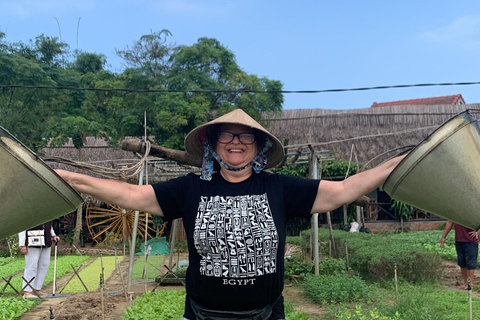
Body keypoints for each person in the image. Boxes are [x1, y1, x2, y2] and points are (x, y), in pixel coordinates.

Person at [55, 108, 405, 319]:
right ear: (212, 143)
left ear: (259, 146)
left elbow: (342, 191)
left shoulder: (279, 187)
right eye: (227, 135)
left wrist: (394, 166)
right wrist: (74, 179)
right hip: (202, 314)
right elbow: (132, 193)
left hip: (266, 314)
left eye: (245, 137)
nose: (235, 142)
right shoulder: (189, 189)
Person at [18, 221, 60, 298]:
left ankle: (37, 290)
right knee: (31, 266)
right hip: (32, 241)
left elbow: (49, 225)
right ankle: (27, 292)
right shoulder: (27, 213)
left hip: (46, 241)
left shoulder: (47, 213)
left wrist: (53, 235)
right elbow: (22, 228)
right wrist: (22, 244)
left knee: (44, 265)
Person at [440, 220, 479, 290]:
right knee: (462, 263)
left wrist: (478, 232)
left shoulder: (473, 210)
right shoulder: (456, 212)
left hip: (471, 241)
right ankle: (465, 283)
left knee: (471, 264)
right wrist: (443, 237)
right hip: (459, 240)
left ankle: (470, 284)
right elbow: (450, 222)